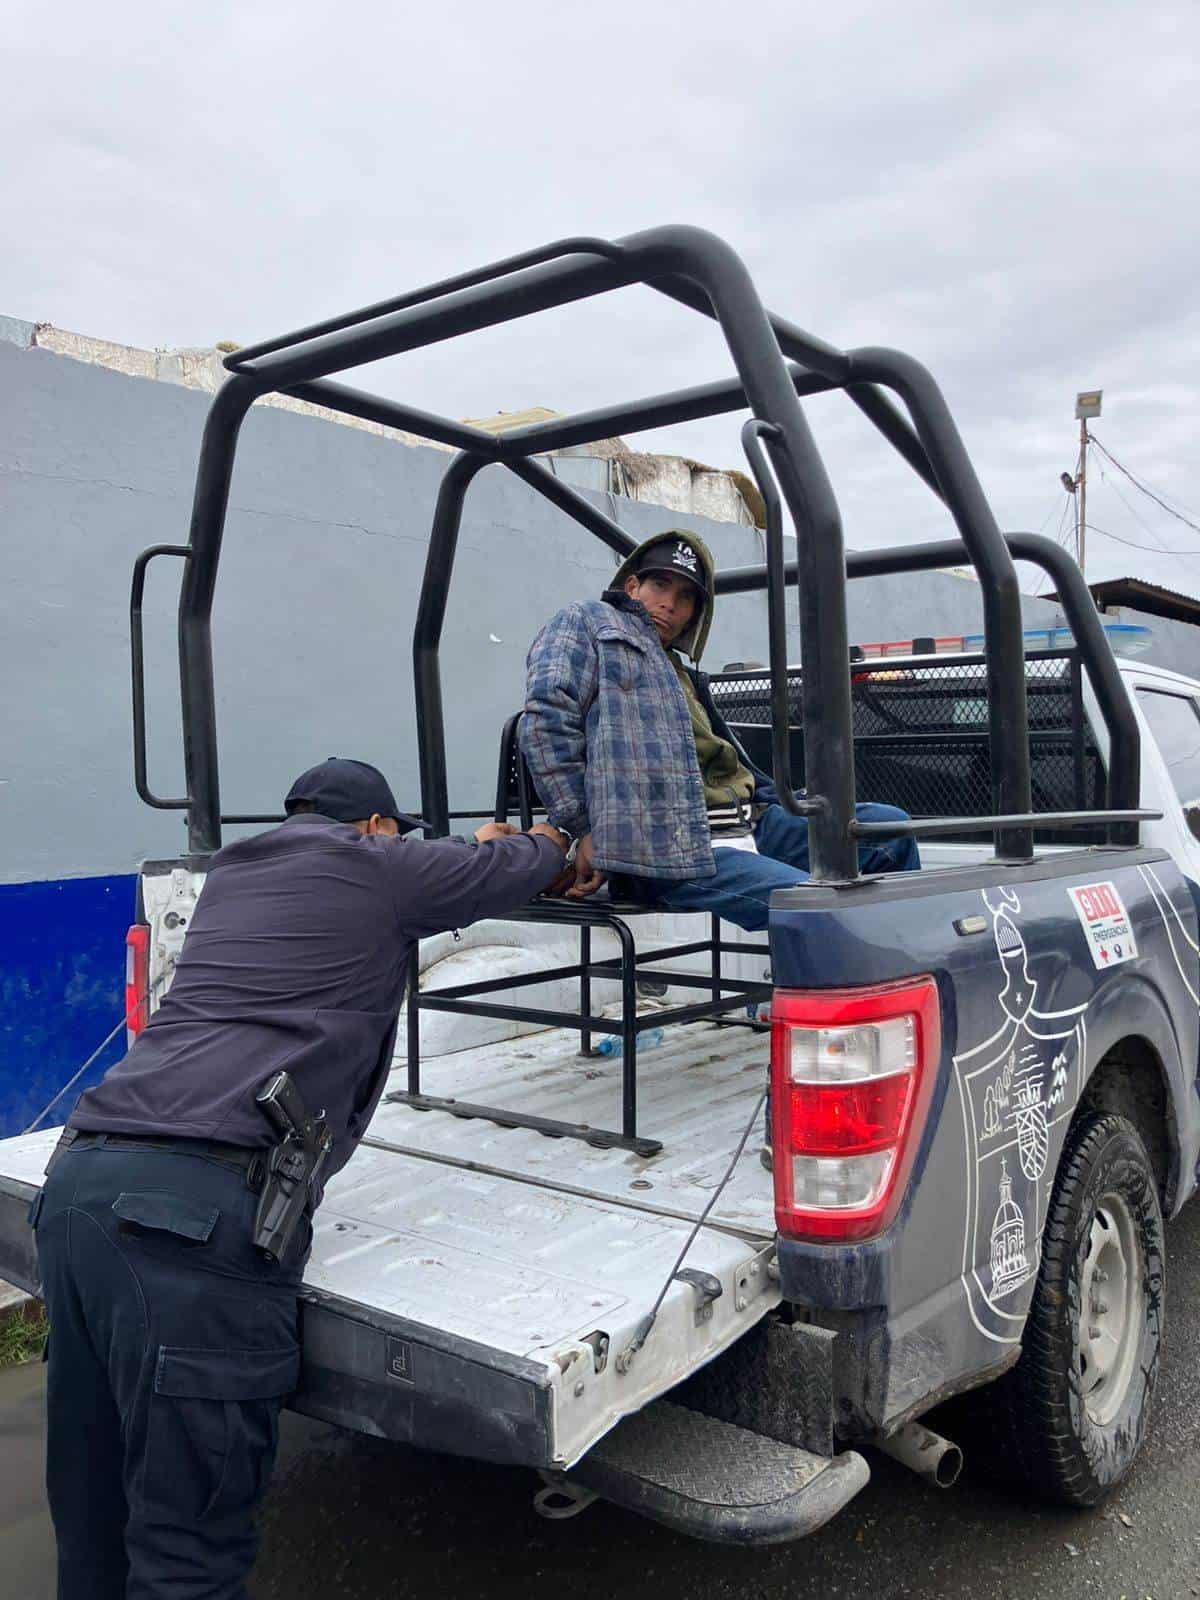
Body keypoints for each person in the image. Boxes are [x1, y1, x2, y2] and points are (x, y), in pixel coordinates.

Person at [31, 758, 568, 1600]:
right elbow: (508, 870)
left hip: (78, 1185)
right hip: (192, 1222)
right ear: (377, 829)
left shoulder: (236, 875)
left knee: (94, 1525)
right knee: (187, 1558)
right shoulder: (374, 864)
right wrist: (551, 836)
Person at [521, 531, 919, 931]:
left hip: (753, 823)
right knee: (813, 906)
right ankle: (871, 982)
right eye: (660, 584)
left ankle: (918, 963)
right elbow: (547, 722)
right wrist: (584, 829)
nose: (669, 604)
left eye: (686, 597)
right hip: (666, 846)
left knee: (891, 830)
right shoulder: (588, 622)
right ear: (631, 586)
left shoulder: (682, 674)